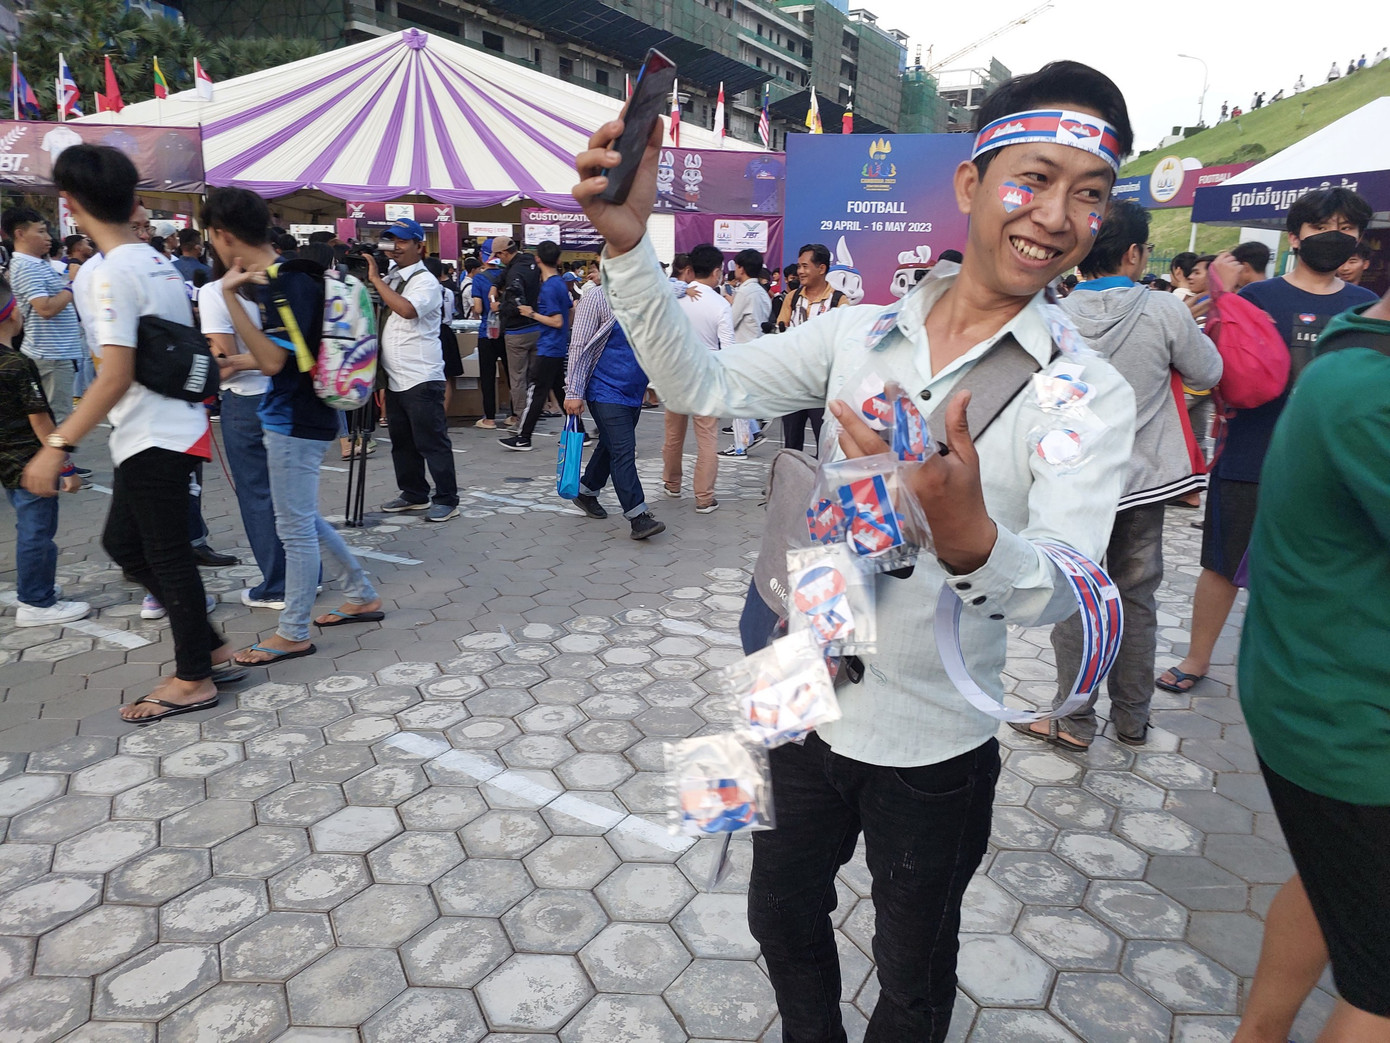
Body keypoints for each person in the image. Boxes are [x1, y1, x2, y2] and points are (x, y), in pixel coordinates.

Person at [574, 59, 1137, 1042]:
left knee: (913, 969)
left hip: (935, 742)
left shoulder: (1082, 392)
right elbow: (698, 382)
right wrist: (628, 247)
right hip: (803, 682)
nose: (1055, 215)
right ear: (970, 184)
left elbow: (1065, 587)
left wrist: (969, 534)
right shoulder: (856, 330)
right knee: (776, 909)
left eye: (1086, 194)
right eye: (1032, 179)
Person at [24, 145, 248, 721]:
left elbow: (116, 372)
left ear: (68, 204)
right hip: (164, 427)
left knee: (166, 554)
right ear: (133, 200)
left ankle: (195, 675)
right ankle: (209, 646)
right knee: (126, 546)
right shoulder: (152, 261)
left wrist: (57, 446)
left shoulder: (110, 272)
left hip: (155, 430)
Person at [1230, 285, 1390, 1043]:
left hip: (1313, 696)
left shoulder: (1345, 354)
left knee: (1337, 887)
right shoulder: (1369, 390)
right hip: (1352, 721)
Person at [1011, 201, 1220, 751]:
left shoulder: (1050, 316)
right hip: (1145, 483)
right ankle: (1132, 721)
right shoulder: (1165, 312)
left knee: (1075, 598)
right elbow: (1209, 371)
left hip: (1069, 488)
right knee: (1137, 598)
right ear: (1133, 254)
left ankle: (1073, 721)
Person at [1158, 187, 1379, 695]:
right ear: (1295, 236)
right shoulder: (1258, 299)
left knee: (1317, 572)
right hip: (1252, 454)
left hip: (1331, 466)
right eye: (1324, 227)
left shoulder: (1366, 307)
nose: (1335, 238)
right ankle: (1196, 658)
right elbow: (1221, 371)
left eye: (1347, 230)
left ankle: (1300, 670)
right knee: (1222, 563)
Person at [199, 186, 385, 668]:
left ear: (221, 234)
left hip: (293, 417)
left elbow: (272, 361)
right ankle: (361, 595)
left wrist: (228, 296)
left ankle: (293, 631)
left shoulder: (279, 283)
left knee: (294, 527)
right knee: (303, 517)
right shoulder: (300, 270)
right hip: (312, 411)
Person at [0, 279, 91, 627]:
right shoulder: (17, 365)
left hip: (6, 464)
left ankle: (36, 593)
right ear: (13, 316)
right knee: (36, 531)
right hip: (32, 463)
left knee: (29, 527)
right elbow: (41, 422)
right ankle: (36, 601)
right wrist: (65, 466)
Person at [198, 258, 287, 611]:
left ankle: (280, 584)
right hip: (292, 396)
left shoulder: (216, 291)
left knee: (258, 495)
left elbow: (224, 358)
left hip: (248, 401)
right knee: (293, 494)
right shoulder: (286, 278)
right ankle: (310, 574)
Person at [359, 218, 457, 521]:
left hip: (421, 376)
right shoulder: (392, 277)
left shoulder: (425, 281)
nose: (395, 247)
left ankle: (447, 499)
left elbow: (407, 309)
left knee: (431, 441)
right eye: (390, 241)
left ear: (420, 246)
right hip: (395, 376)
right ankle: (414, 493)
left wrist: (376, 281)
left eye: (402, 241)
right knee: (402, 442)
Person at [564, 267, 665, 540]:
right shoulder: (596, 298)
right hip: (603, 388)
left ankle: (586, 491)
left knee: (611, 445)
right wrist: (573, 391)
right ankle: (638, 516)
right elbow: (579, 345)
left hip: (633, 390)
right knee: (623, 449)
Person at [663, 243, 732, 513]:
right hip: (706, 377)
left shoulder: (676, 297)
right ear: (716, 272)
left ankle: (672, 484)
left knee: (673, 435)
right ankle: (704, 497)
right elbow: (728, 351)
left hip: (675, 374)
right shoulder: (721, 305)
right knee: (707, 439)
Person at [3, 207, 86, 429]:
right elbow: (45, 309)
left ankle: (61, 463)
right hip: (51, 354)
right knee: (58, 418)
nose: (47, 238)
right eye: (40, 231)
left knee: (56, 414)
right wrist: (72, 284)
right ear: (20, 234)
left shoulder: (35, 263)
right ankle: (58, 463)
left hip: (53, 351)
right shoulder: (27, 266)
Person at [500, 240, 575, 452]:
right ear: (558, 259)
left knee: (536, 391)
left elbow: (557, 320)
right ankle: (579, 432)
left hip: (549, 346)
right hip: (556, 345)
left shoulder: (550, 286)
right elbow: (569, 312)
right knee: (560, 392)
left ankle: (524, 436)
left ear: (537, 259)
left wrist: (531, 313)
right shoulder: (559, 283)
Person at [776, 243, 849, 452]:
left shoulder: (839, 301)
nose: (799, 272)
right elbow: (781, 334)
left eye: (805, 266)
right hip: (793, 384)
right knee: (791, 445)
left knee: (825, 443)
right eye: (799, 266)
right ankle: (790, 484)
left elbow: (844, 342)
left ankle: (821, 484)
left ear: (822, 268)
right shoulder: (792, 297)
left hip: (822, 387)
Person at [493, 236, 542, 426]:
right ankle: (537, 410)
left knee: (518, 378)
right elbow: (505, 274)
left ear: (504, 253)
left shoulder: (514, 275)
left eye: (499, 256)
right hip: (536, 327)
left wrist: (500, 307)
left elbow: (516, 304)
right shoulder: (528, 261)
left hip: (517, 331)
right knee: (534, 377)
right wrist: (496, 284)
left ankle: (522, 418)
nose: (499, 260)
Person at [472, 257, 510, 429]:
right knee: (512, 375)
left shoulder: (479, 278)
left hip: (486, 333)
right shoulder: (507, 275)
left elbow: (478, 309)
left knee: (487, 376)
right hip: (507, 331)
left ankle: (489, 418)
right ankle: (515, 415)